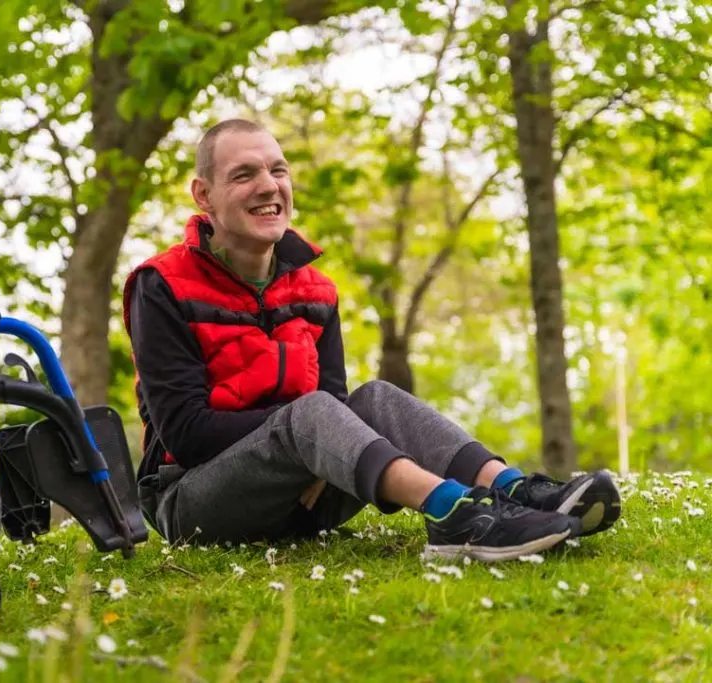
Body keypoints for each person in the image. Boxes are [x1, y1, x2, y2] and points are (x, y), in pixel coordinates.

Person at [120, 118, 620, 562]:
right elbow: (186, 433)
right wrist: (307, 439)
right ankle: (453, 514)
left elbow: (340, 405)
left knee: (374, 397)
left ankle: (516, 491)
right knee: (313, 411)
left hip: (307, 500)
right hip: (194, 503)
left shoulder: (317, 292)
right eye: (244, 174)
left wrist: (320, 449)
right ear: (204, 195)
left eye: (278, 170)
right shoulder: (160, 285)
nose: (268, 186)